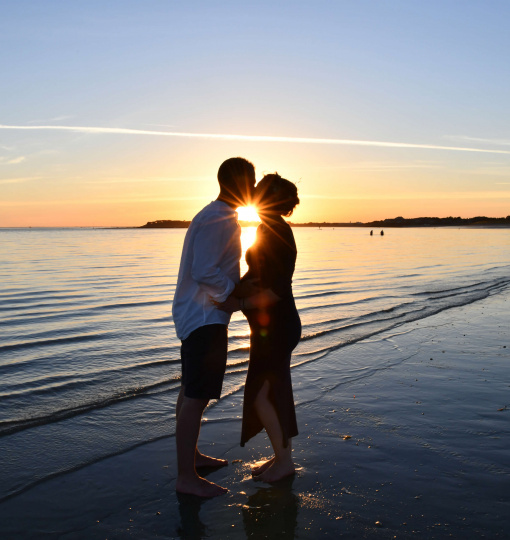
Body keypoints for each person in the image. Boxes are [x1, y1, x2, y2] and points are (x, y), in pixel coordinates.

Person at [172, 157, 257, 497]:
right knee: (196, 396)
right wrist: (230, 298)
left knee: (190, 391)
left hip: (200, 316)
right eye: (250, 181)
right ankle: (186, 478)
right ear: (239, 184)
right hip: (205, 317)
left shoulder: (216, 215)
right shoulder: (218, 218)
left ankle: (191, 460)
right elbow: (203, 270)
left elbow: (205, 267)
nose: (253, 188)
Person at [214, 173, 301, 483]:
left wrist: (239, 304)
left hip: (276, 329)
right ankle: (282, 459)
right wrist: (235, 290)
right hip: (273, 328)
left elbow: (276, 291)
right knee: (272, 393)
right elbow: (258, 274)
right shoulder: (269, 228)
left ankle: (284, 463)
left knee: (261, 397)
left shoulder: (277, 233)